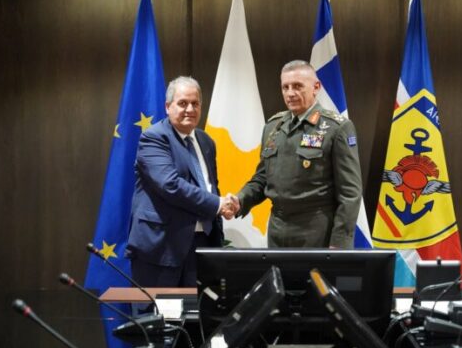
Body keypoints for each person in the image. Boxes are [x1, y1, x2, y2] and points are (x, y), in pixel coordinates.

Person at [231, 60, 362, 248]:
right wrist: (240, 200)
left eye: (297, 86)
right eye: (285, 87)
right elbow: (263, 179)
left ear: (316, 87)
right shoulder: (272, 127)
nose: (290, 93)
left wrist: (339, 243)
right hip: (277, 232)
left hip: (317, 232)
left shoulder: (337, 128)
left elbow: (350, 194)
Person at [125, 76, 236, 287]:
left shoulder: (206, 141)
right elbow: (171, 185)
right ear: (168, 107)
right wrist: (218, 204)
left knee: (197, 308)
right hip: (161, 248)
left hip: (203, 246)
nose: (190, 109)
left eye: (195, 103)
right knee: (158, 308)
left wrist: (225, 205)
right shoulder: (154, 138)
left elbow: (210, 186)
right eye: (183, 103)